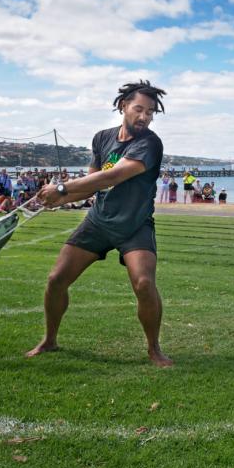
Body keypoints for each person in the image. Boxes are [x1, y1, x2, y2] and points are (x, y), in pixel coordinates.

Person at [28, 80, 172, 367]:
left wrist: (61, 189)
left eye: (151, 112)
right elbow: (92, 186)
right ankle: (50, 340)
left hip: (135, 225)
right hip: (99, 221)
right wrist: (59, 199)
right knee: (56, 280)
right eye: (139, 109)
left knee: (144, 283)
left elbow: (112, 177)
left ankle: (154, 348)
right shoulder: (101, 138)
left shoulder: (150, 144)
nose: (144, 116)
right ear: (123, 106)